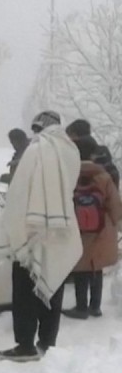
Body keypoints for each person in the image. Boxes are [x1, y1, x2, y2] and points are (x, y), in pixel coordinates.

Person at [0, 110, 82, 362]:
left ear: (39, 127)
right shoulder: (72, 151)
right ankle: (48, 342)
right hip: (62, 227)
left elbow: (19, 193)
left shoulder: (37, 150)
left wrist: (12, 224)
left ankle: (25, 344)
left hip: (33, 229)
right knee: (54, 282)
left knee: (26, 288)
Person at [62, 136, 122, 320]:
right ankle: (95, 306)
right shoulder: (103, 176)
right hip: (101, 229)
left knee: (81, 268)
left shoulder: (69, 175)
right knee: (96, 266)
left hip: (77, 229)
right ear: (93, 154)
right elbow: (115, 205)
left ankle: (81, 307)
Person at [66, 119, 120, 187]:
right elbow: (114, 177)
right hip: (106, 194)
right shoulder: (103, 152)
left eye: (68, 137)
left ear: (74, 135)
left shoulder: (73, 153)